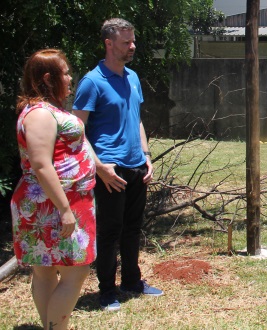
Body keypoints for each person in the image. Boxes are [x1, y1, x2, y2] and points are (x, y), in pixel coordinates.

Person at [72, 18, 162, 312]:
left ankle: (132, 282)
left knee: (132, 228)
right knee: (110, 231)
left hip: (136, 165)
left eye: (133, 41)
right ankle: (107, 291)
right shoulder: (92, 82)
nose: (133, 46)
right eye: (126, 42)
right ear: (109, 44)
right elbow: (76, 131)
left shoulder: (132, 78)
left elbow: (136, 118)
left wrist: (147, 155)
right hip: (109, 169)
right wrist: (99, 167)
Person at [11, 49, 96, 330]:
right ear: (49, 78)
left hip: (61, 201)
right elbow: (41, 164)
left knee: (45, 270)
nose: (70, 78)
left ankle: (51, 327)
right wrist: (65, 210)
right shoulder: (40, 114)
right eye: (66, 73)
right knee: (76, 271)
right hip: (54, 204)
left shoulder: (47, 110)